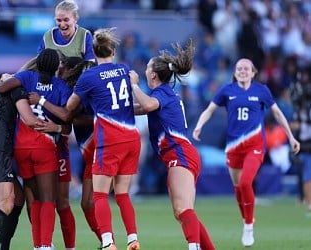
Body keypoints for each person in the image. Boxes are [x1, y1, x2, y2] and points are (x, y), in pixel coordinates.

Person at [40, 27, 141, 250]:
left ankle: (108, 242)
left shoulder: (87, 78)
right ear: (113, 51)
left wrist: (42, 103)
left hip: (105, 142)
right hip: (129, 138)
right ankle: (131, 238)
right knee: (116, 195)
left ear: (92, 52)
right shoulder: (124, 70)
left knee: (98, 196)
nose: (61, 71)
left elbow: (68, 110)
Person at [192, 58, 300, 247]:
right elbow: (209, 110)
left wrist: (290, 136)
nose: (243, 71)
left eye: (246, 68)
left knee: (245, 182)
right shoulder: (227, 90)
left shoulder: (261, 90)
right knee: (237, 187)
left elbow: (277, 113)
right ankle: (246, 218)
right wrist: (199, 125)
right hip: (233, 147)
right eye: (239, 68)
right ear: (235, 73)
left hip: (255, 145)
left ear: (253, 72)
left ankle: (248, 226)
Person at [129, 40, 215, 250]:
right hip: (181, 154)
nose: (145, 70)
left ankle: (193, 247)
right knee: (183, 211)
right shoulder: (164, 95)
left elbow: (147, 105)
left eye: (148, 67)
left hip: (180, 153)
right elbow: (140, 108)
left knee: (182, 208)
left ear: (153, 75)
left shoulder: (161, 94)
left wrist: (132, 85)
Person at [0, 48, 72, 250]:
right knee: (47, 198)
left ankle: (38, 244)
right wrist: (44, 101)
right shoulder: (60, 86)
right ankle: (46, 244)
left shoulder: (27, 77)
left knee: (33, 197)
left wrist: (15, 87)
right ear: (57, 67)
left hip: (21, 146)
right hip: (44, 146)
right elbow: (66, 115)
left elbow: (0, 89)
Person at [28, 55, 101, 245]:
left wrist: (58, 126)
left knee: (62, 203)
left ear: (71, 71)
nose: (59, 72)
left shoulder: (76, 92)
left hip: (62, 148)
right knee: (37, 200)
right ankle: (43, 243)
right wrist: (39, 57)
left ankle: (97, 243)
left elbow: (70, 119)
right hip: (37, 147)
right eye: (58, 67)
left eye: (62, 69)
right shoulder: (47, 84)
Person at [0, 79, 43, 249]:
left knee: (18, 198)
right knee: (5, 202)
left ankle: (3, 247)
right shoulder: (17, 90)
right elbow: (29, 120)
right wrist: (56, 127)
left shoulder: (2, 91)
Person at [290, 66, 311, 214]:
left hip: (305, 141)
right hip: (305, 143)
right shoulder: (301, 110)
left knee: (306, 174)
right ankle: (308, 203)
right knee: (306, 174)